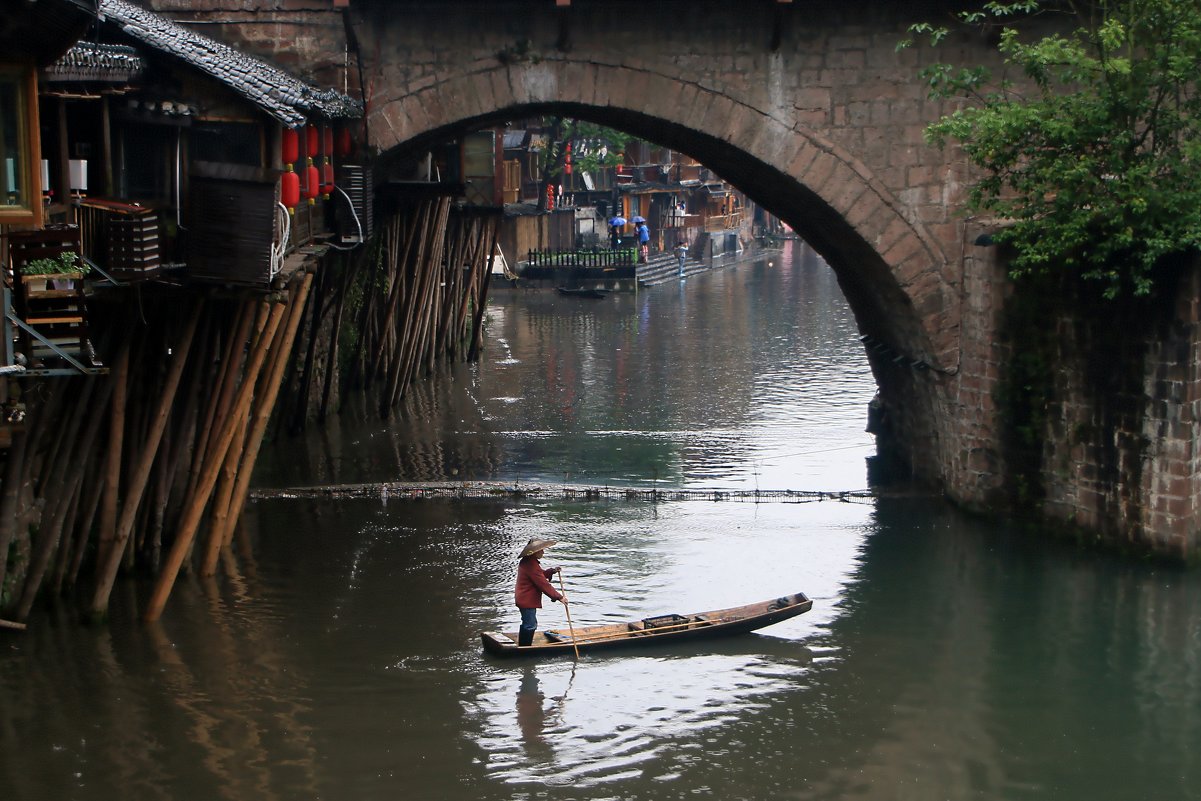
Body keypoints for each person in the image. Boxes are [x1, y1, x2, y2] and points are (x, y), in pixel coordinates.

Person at [515, 537, 565, 646]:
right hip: (526, 600)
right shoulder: (530, 564)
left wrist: (551, 571)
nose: (543, 552)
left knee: (528, 623)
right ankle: (524, 648)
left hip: (524, 599)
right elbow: (543, 583)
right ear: (535, 552)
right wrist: (559, 597)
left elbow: (539, 575)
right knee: (530, 625)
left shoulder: (529, 562)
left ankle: (523, 645)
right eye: (541, 550)